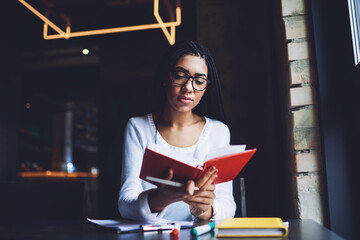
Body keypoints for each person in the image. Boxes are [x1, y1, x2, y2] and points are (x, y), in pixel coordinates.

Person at [118, 40, 236, 222]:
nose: (188, 88)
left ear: (206, 88)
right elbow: (125, 204)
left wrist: (203, 210)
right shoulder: (138, 127)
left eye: (199, 81)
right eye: (180, 76)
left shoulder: (218, 131)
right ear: (166, 78)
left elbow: (227, 203)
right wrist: (160, 199)